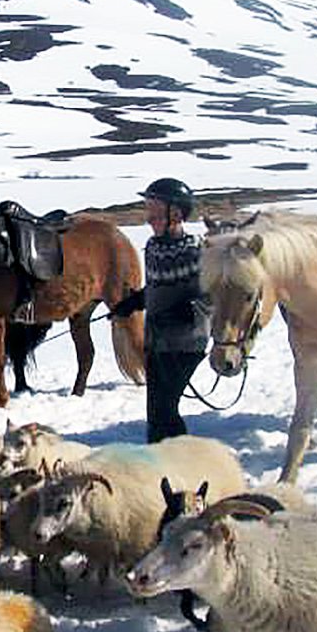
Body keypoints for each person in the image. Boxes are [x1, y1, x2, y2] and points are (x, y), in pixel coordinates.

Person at [113, 177, 208, 443]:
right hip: (158, 341)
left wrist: (185, 312)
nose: (148, 218)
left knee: (164, 411)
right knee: (157, 413)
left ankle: (176, 460)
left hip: (185, 343)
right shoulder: (154, 247)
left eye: (154, 211)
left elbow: (212, 297)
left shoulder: (195, 251)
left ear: (176, 214)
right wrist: (134, 302)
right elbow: (157, 288)